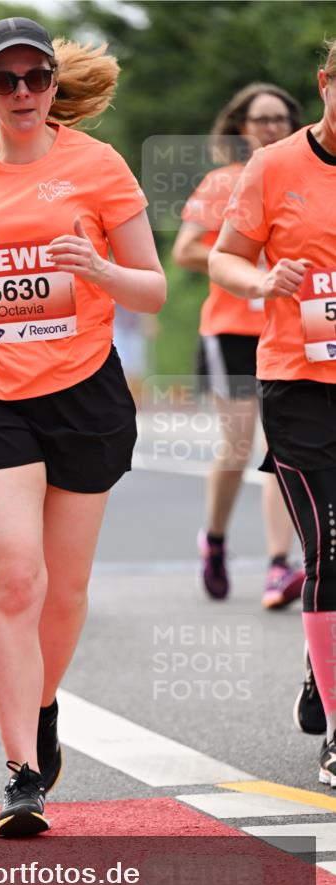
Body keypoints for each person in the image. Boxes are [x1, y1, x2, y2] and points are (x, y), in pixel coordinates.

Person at [0, 17, 165, 836]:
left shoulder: (98, 167)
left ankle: (42, 702)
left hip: (81, 392)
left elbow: (151, 289)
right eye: (4, 79)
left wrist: (100, 270)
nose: (21, 92)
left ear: (54, 86)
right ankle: (22, 773)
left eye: (35, 78)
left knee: (64, 587)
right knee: (14, 578)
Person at [210, 39, 336, 787]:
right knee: (329, 547)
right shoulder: (275, 166)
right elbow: (223, 256)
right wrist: (262, 280)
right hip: (298, 380)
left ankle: (320, 669)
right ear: (325, 83)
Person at [173, 83, 305, 608]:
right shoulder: (223, 182)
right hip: (229, 330)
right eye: (260, 119)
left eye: (280, 119)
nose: (270, 127)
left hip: (290, 330)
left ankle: (278, 566)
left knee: (282, 446)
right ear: (240, 128)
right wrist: (247, 266)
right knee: (238, 445)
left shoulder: (304, 178)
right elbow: (184, 251)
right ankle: (216, 539)